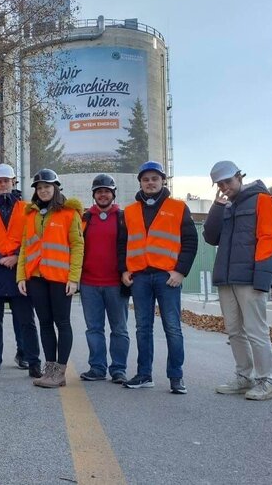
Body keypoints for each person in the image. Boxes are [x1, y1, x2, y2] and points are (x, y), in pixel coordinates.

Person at [204, 161, 272, 401]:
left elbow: (269, 238)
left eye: (228, 181)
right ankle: (244, 377)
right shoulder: (226, 205)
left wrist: (263, 277)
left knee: (256, 331)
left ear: (239, 177)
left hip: (249, 277)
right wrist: (217, 207)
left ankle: (265, 381)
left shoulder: (262, 200)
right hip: (227, 278)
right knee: (234, 331)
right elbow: (211, 237)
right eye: (220, 184)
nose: (224, 187)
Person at [120, 161, 198, 394]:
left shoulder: (178, 207)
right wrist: (124, 270)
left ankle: (176, 377)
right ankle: (144, 375)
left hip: (167, 277)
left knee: (172, 327)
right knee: (142, 328)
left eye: (155, 178)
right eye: (146, 179)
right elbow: (122, 244)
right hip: (140, 278)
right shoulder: (130, 211)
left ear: (163, 180)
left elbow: (190, 242)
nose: (150, 183)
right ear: (140, 183)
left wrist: (180, 271)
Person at [17, 169, 84, 388]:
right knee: (45, 323)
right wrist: (21, 276)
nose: (43, 191)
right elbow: (25, 248)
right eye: (39, 187)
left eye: (47, 186)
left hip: (60, 278)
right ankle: (50, 370)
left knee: (62, 323)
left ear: (56, 188)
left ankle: (60, 372)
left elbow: (77, 246)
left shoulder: (69, 213)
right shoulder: (32, 215)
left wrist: (73, 278)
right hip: (36, 277)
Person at [0, 164, 42, 378]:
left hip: (19, 272)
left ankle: (33, 362)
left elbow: (34, 238)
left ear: (14, 182)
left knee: (26, 320)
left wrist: (17, 257)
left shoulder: (27, 208)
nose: (3, 184)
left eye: (6, 180)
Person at [79, 174, 130, 384]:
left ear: (113, 194)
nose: (103, 195)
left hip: (116, 284)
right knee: (94, 329)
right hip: (89, 283)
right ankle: (97, 368)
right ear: (94, 195)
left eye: (107, 191)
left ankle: (118, 369)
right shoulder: (85, 219)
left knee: (119, 329)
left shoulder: (123, 218)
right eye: (99, 191)